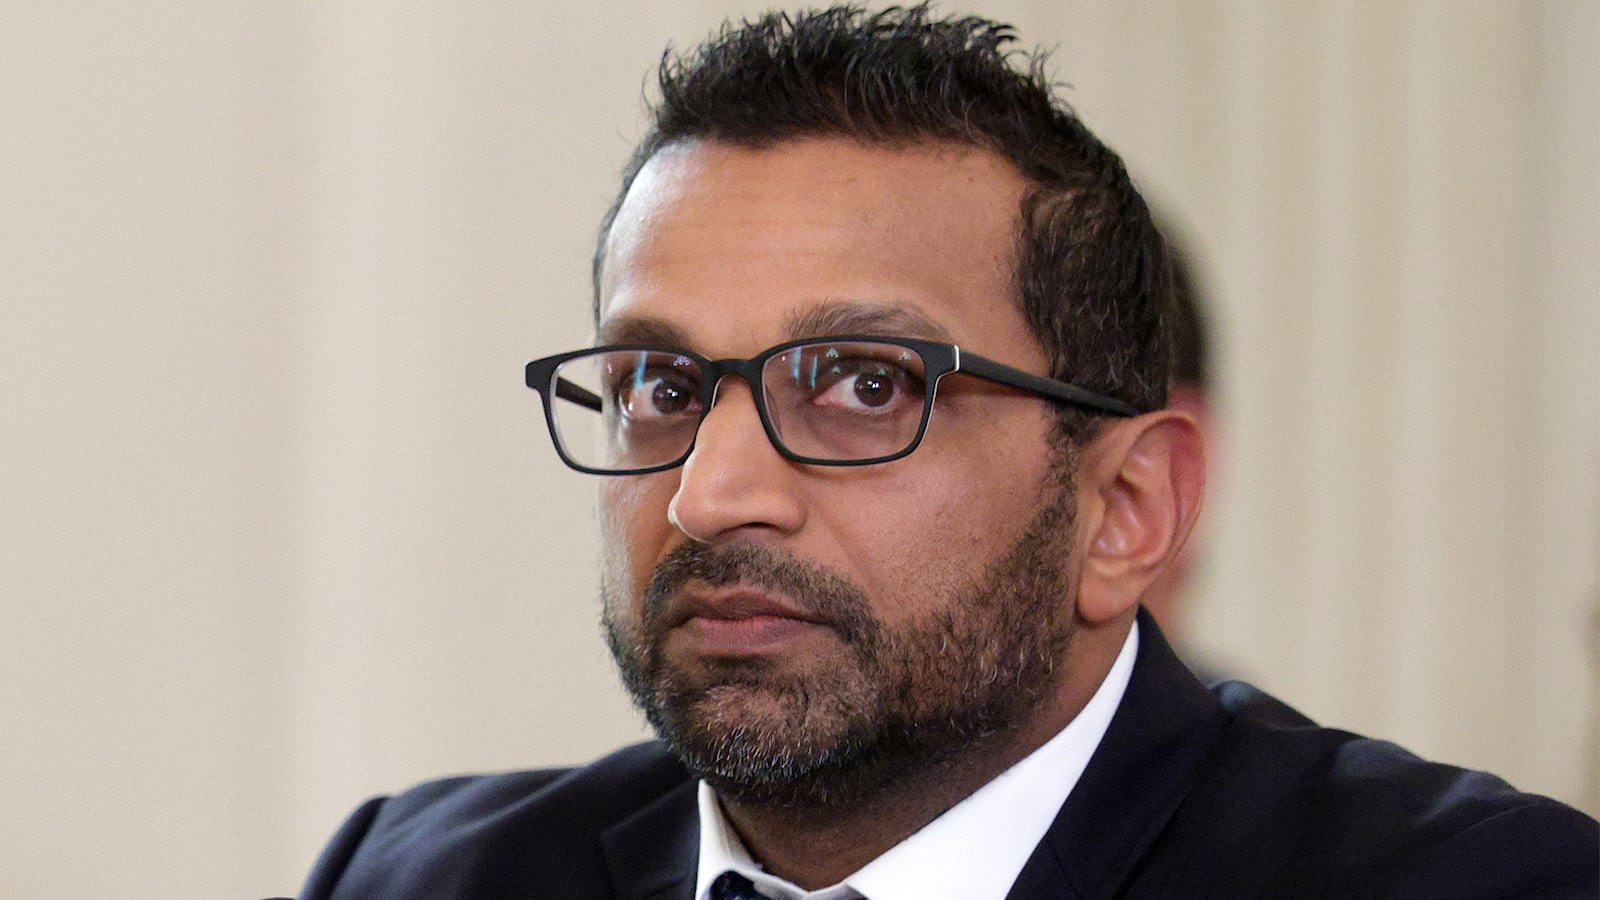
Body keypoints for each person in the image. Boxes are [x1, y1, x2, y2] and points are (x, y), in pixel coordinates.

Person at [300, 6, 1598, 898]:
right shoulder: (420, 876)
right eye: (659, 383)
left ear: (1127, 508)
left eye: (865, 385)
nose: (711, 494)